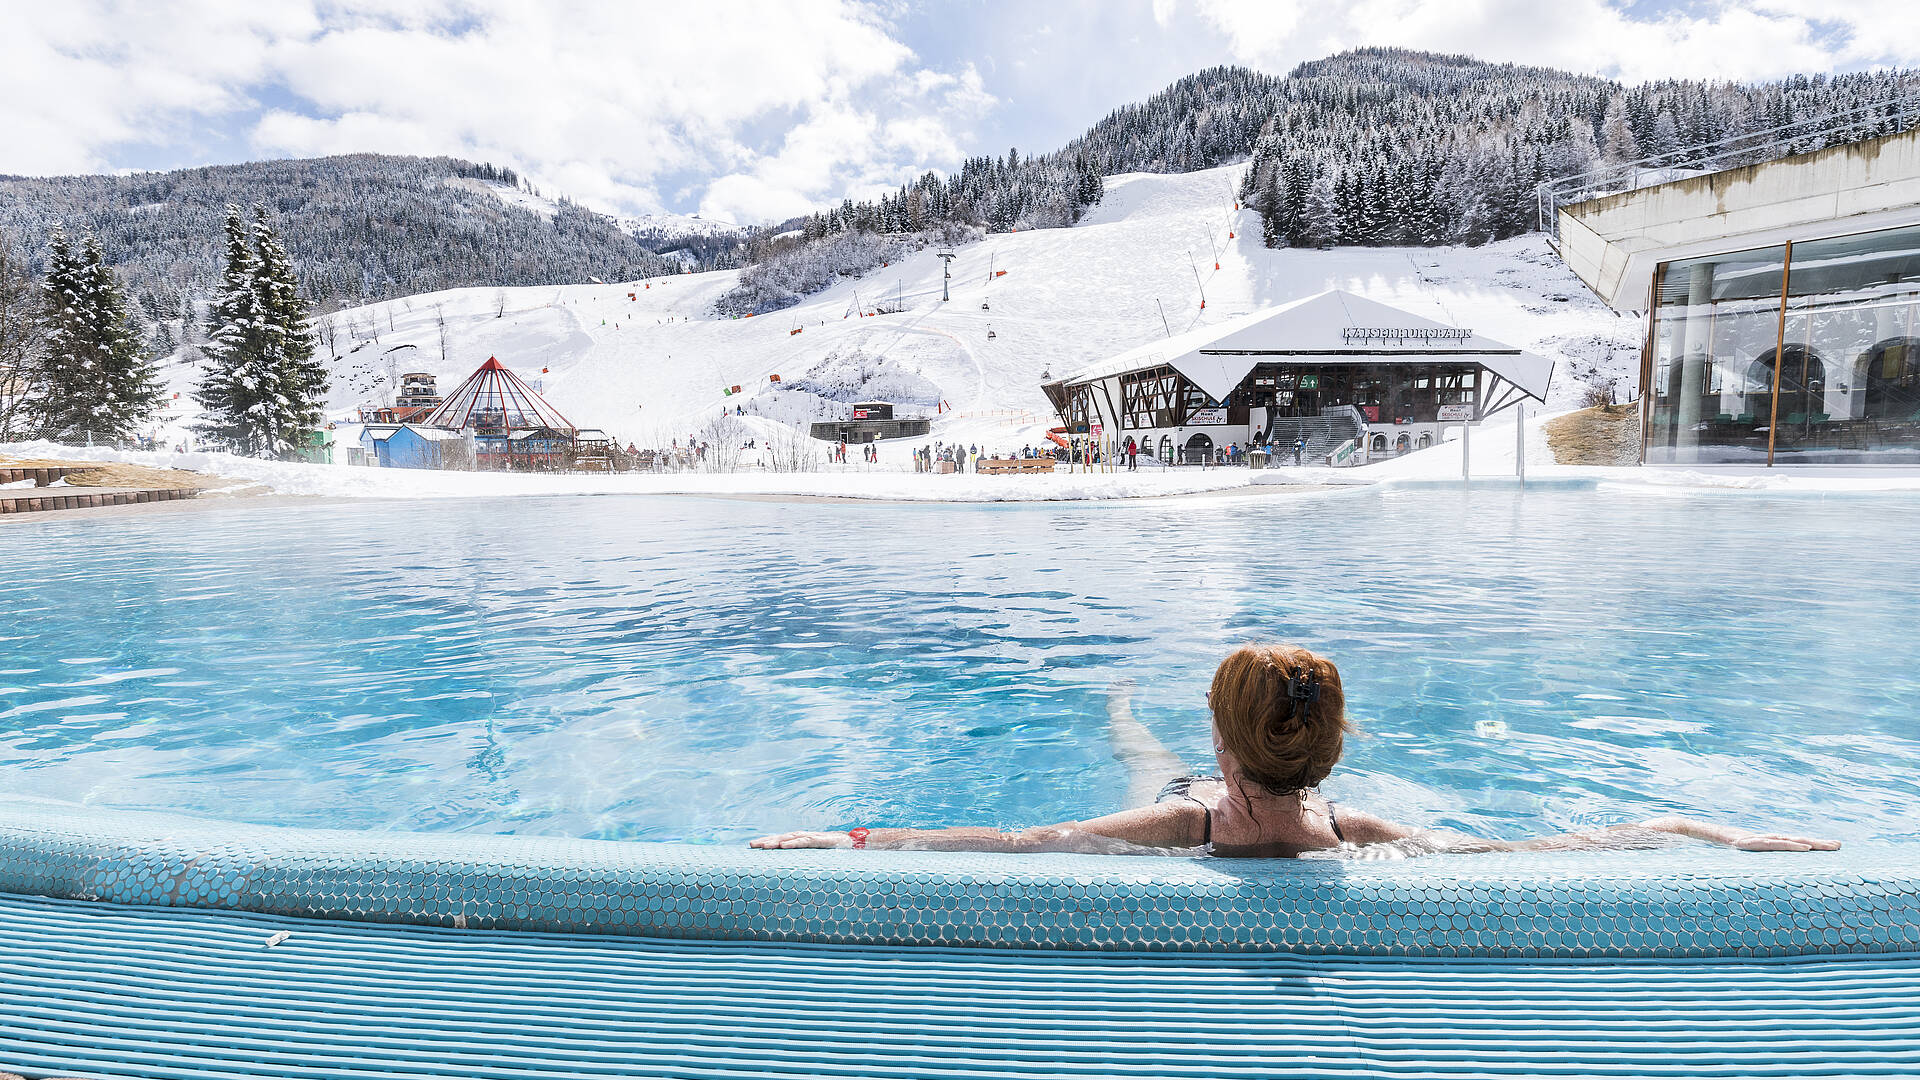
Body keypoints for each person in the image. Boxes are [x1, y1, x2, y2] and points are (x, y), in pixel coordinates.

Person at [752, 643, 1841, 859]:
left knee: (1136, 751)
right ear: (1325, 753)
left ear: (1224, 744)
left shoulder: (1179, 821)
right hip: (1264, 792)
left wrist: (852, 837)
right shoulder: (1354, 830)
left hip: (1184, 796)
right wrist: (1701, 828)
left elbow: (1016, 842)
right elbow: (1537, 851)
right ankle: (1124, 706)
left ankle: (1119, 702)